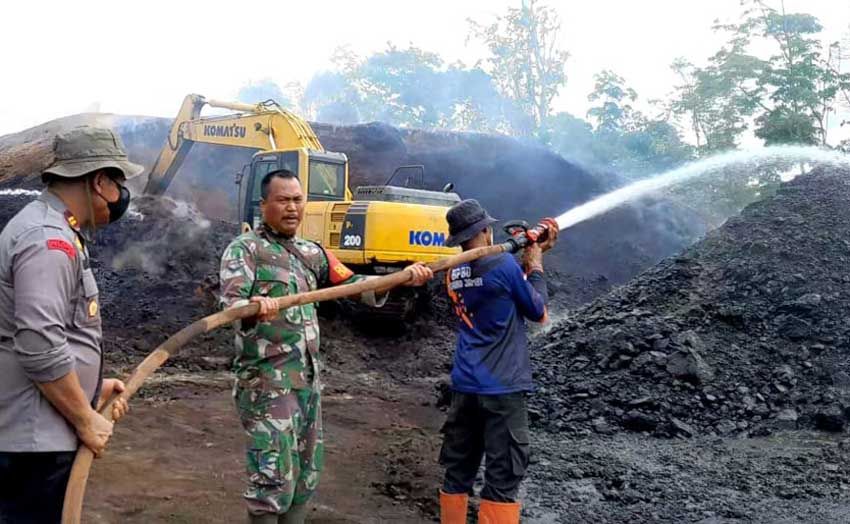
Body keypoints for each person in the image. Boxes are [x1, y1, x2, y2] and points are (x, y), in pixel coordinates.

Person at [219, 168, 433, 524]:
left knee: (307, 472)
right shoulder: (245, 250)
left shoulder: (311, 253)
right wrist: (255, 306)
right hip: (267, 384)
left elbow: (351, 284)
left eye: (298, 200)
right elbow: (232, 307)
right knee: (271, 475)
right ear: (265, 204)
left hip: (308, 380)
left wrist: (401, 278)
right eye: (283, 200)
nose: (292, 208)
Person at [0, 126, 137, 522]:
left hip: (38, 433)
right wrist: (84, 417)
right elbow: (39, 340)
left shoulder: (58, 230)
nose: (121, 197)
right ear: (99, 181)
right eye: (118, 183)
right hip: (33, 446)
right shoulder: (48, 239)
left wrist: (91, 387)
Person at [438, 199, 558, 524]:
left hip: (464, 386)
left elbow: (494, 291)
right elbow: (539, 312)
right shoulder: (504, 265)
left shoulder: (454, 271)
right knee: (503, 477)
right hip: (501, 388)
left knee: (457, 472)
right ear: (488, 231)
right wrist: (534, 263)